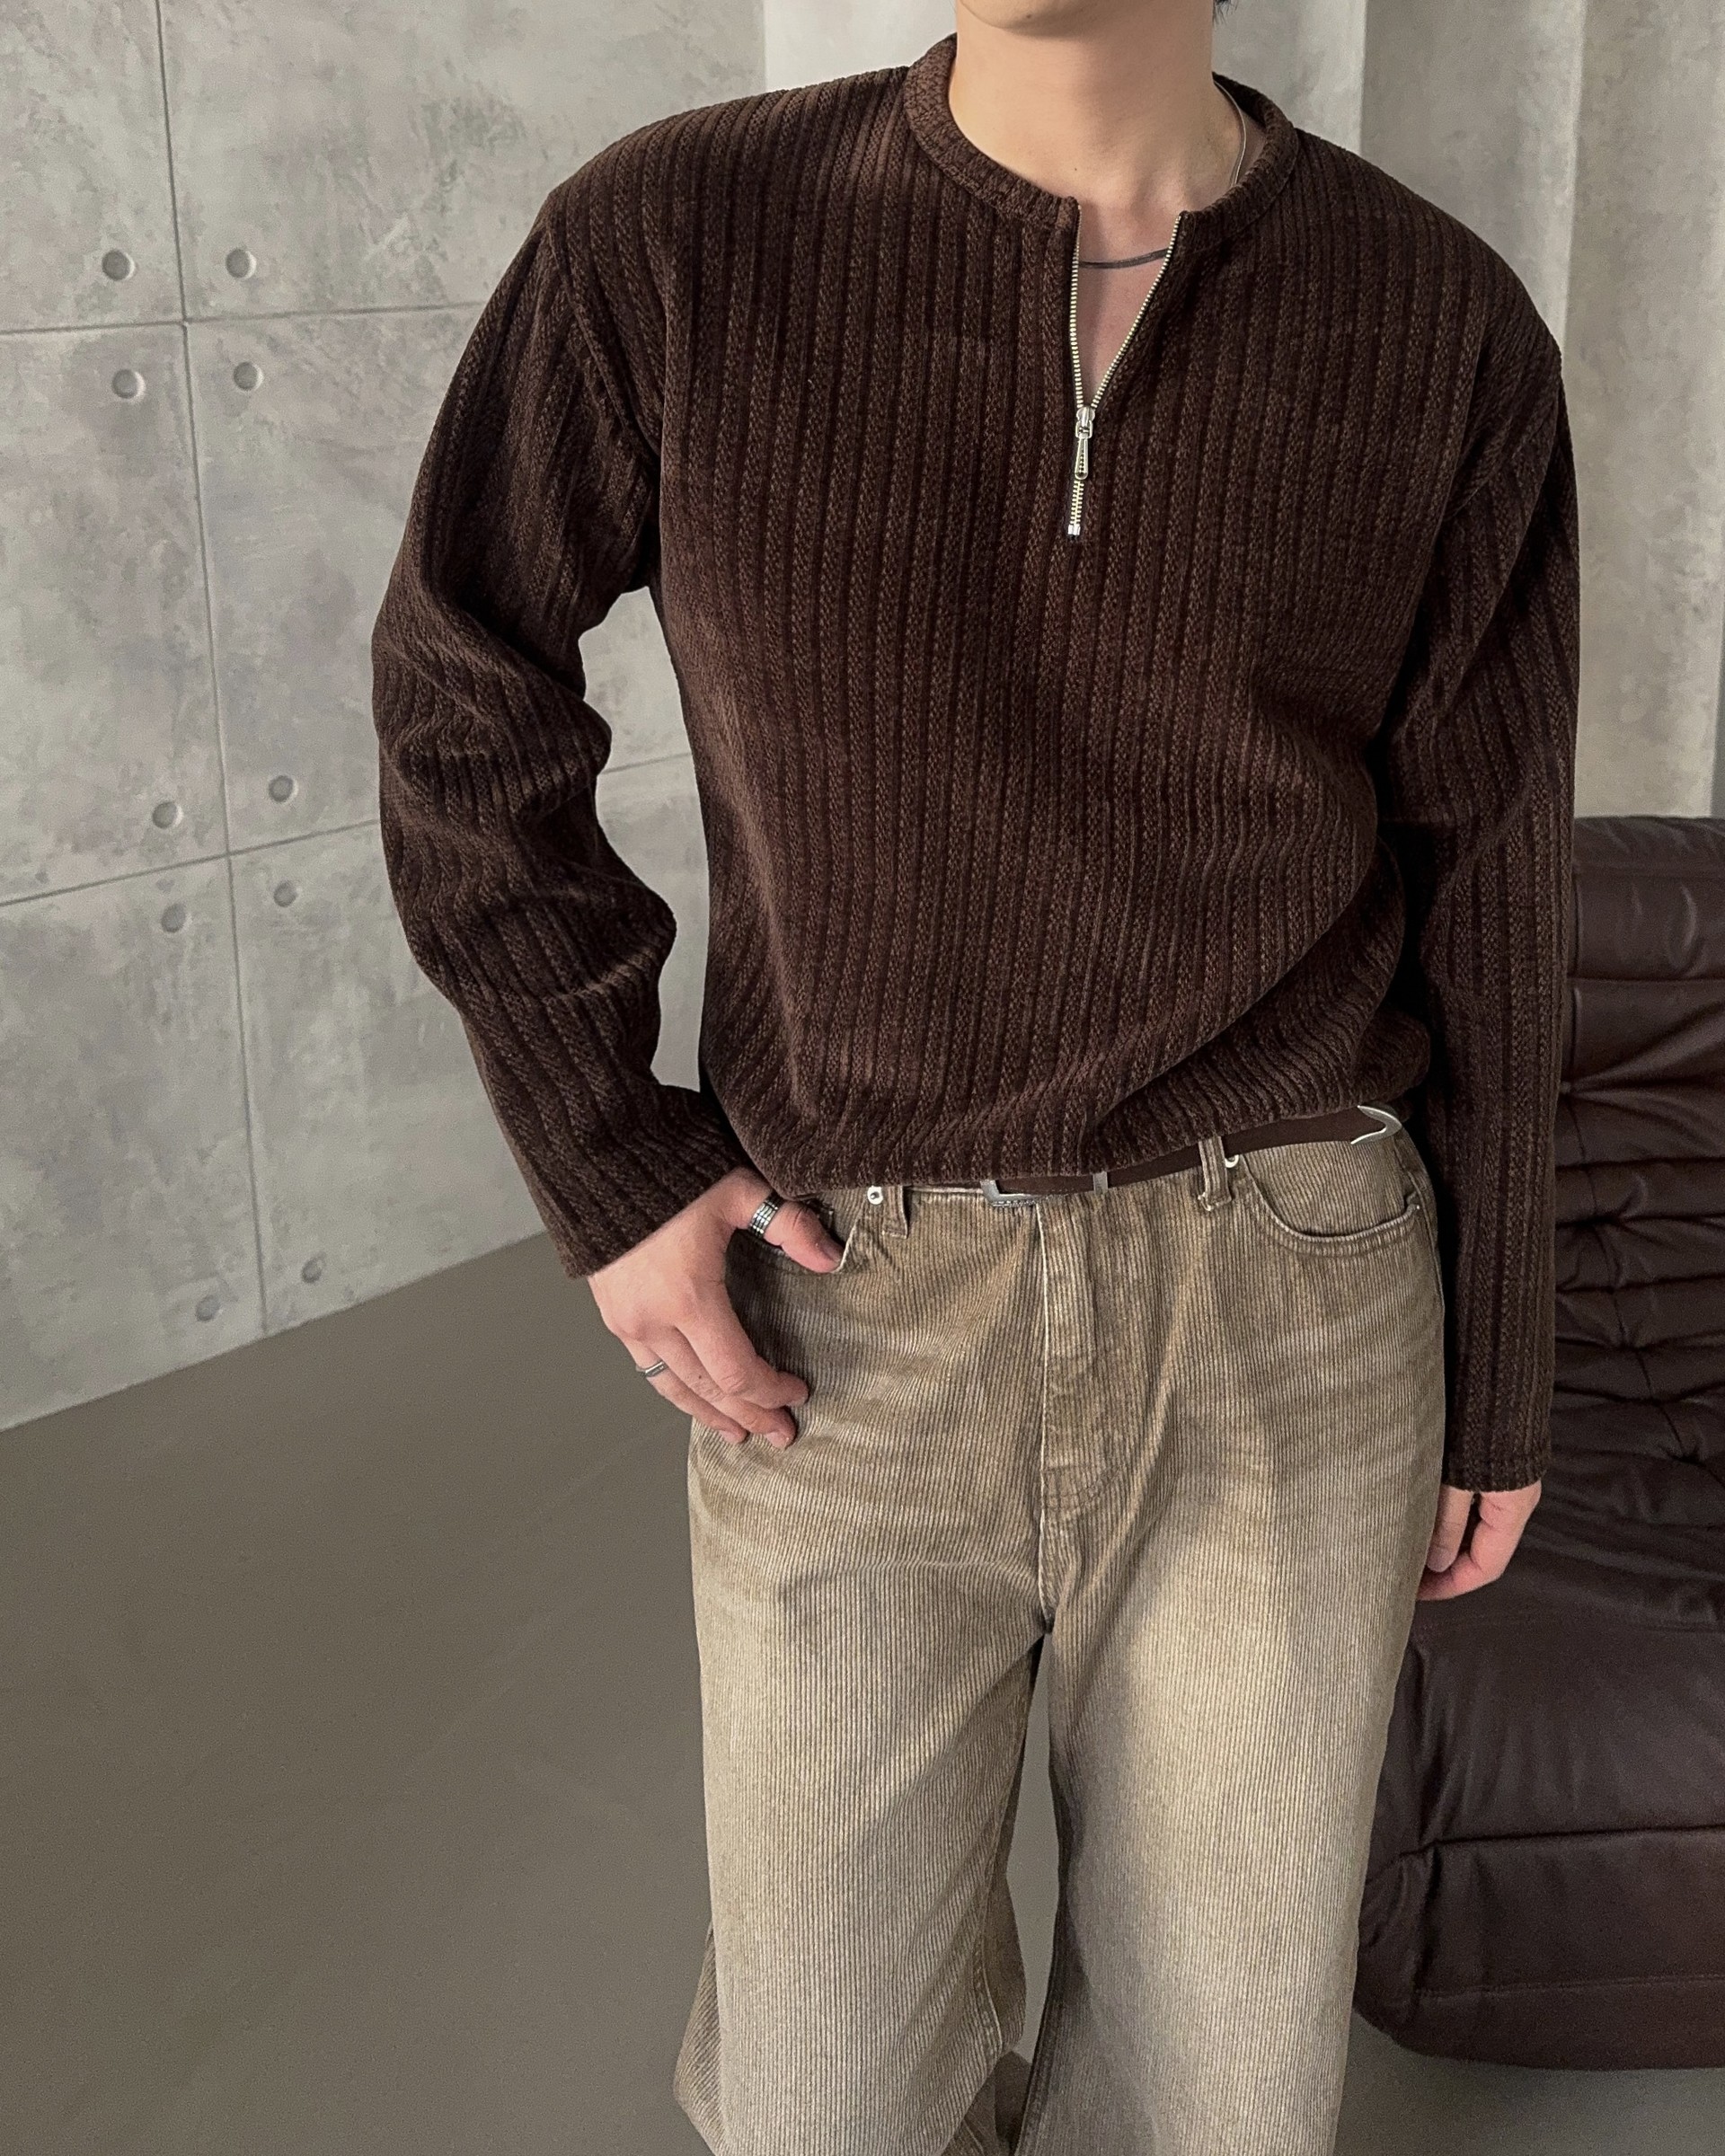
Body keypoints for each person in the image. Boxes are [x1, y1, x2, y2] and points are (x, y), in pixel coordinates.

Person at [369, 1, 1579, 2148]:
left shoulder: (1439, 322)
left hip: (1294, 1301)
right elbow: (464, 688)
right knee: (827, 2098)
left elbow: (1488, 876)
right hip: (850, 1311)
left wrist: (1504, 1361)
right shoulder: (672, 239)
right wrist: (611, 1155)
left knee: (1215, 2098)